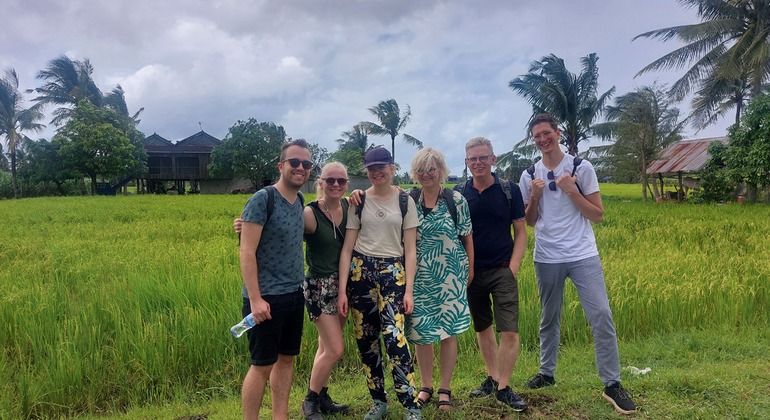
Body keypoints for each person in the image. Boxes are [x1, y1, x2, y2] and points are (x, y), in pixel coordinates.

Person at [518, 113, 637, 415]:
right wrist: (533, 196)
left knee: (601, 315)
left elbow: (597, 214)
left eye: (547, 133)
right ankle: (546, 373)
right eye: (537, 136)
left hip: (583, 254)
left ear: (557, 133)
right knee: (549, 317)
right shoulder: (529, 174)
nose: (543, 139)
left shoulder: (581, 168)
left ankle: (612, 383)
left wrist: (572, 190)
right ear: (534, 140)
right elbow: (531, 221)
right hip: (546, 256)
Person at [234, 161, 352, 419]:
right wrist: (244, 227)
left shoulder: (345, 205)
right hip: (310, 288)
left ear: (347, 184)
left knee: (310, 352)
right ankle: (310, 400)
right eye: (330, 180)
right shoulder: (307, 211)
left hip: (325, 287)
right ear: (320, 182)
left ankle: (318, 397)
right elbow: (270, 233)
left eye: (341, 181)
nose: (335, 185)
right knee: (330, 350)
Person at [337, 147, 422, 420]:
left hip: (393, 271)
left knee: (395, 337)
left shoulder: (406, 201)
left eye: (382, 166)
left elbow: (410, 249)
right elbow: (348, 248)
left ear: (392, 168)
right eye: (372, 168)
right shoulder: (358, 202)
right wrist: (342, 290)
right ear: (367, 170)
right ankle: (378, 401)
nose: (377, 172)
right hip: (361, 271)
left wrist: (408, 290)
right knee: (366, 339)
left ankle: (410, 403)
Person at [238, 139, 313, 420]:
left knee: (286, 359)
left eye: (306, 164)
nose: (300, 168)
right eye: (295, 162)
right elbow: (246, 251)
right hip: (266, 298)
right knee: (261, 365)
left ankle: (280, 416)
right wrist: (256, 299)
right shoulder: (262, 198)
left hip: (295, 293)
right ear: (281, 166)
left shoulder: (299, 201)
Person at [455, 136, 528, 412]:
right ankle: (492, 376)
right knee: (483, 328)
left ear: (493, 159)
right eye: (473, 158)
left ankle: (504, 387)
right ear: (466, 162)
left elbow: (521, 232)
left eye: (483, 157)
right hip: (471, 272)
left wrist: (513, 268)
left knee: (509, 330)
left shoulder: (508, 191)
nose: (478, 162)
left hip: (501, 270)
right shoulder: (460, 193)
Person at [406, 148, 474, 412]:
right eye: (421, 170)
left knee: (448, 332)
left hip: (451, 275)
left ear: (441, 170)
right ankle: (425, 385)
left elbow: (467, 237)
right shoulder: (409, 200)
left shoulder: (456, 201)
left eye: (431, 169)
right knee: (422, 334)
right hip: (419, 277)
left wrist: (470, 270)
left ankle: (445, 387)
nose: (426, 174)